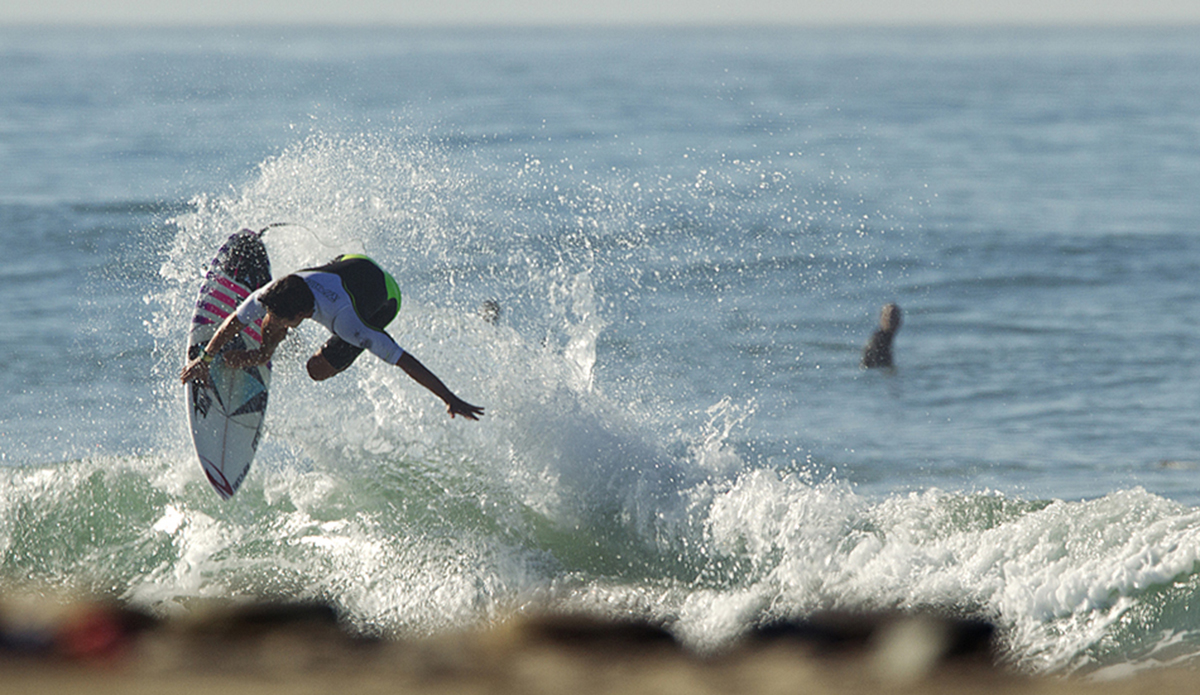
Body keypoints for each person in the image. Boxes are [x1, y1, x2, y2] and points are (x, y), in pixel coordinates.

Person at [181, 254, 483, 420]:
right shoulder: (280, 290)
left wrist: (449, 398)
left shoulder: (350, 325)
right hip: (350, 262)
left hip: (383, 299)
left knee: (316, 370)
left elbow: (404, 360)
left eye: (286, 321)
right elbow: (236, 319)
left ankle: (275, 349)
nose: (271, 318)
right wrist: (205, 358)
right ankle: (264, 354)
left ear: (301, 316)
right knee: (271, 319)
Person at [861, 303, 902, 369]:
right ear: (881, 318)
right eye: (889, 316)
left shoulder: (887, 338)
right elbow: (881, 367)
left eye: (895, 316)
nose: (891, 320)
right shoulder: (879, 341)